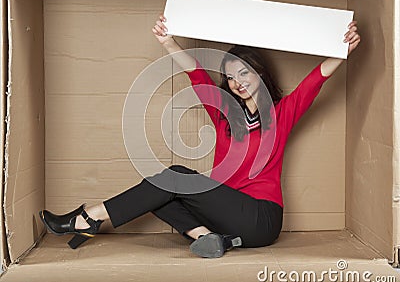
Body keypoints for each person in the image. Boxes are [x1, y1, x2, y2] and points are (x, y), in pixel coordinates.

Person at [40, 14, 360, 258]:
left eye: (244, 73)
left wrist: (341, 50)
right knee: (159, 190)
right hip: (227, 220)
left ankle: (89, 218)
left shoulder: (281, 113)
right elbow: (196, 74)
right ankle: (208, 238)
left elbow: (315, 79)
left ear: (260, 75)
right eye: (231, 77)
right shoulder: (223, 115)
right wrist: (167, 42)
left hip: (261, 218)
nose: (237, 82)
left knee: (174, 176)